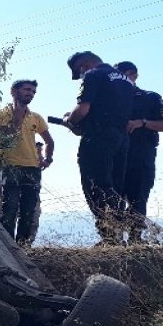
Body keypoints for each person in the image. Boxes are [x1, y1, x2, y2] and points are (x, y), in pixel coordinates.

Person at [64, 51, 135, 245]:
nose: (81, 75)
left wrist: (70, 120)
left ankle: (108, 236)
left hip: (98, 137)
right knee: (115, 186)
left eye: (79, 71)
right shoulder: (125, 80)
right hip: (121, 139)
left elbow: (83, 109)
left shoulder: (93, 75)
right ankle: (117, 236)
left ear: (84, 65)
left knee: (95, 184)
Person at [0, 79, 54, 245]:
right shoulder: (0, 115)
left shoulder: (36, 117)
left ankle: (24, 247)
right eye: (27, 90)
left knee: (29, 210)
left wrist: (48, 159)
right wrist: (17, 114)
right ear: (14, 91)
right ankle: (7, 247)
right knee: (9, 208)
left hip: (32, 168)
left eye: (33, 91)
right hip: (9, 166)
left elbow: (49, 141)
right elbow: (8, 135)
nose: (30, 94)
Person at [115, 61, 163, 244]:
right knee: (112, 200)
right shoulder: (109, 99)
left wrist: (143, 123)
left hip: (141, 157)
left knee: (138, 199)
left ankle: (135, 240)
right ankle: (114, 241)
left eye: (122, 76)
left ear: (133, 75)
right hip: (114, 158)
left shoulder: (151, 98)